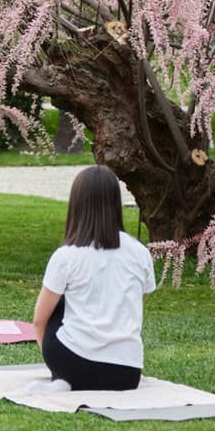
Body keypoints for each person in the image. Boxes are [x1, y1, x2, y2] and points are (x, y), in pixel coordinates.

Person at [31, 165, 155, 392]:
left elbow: (40, 320)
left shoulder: (67, 256)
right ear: (116, 203)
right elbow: (134, 308)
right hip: (126, 374)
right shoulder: (140, 253)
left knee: (58, 305)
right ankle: (67, 378)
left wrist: (54, 361)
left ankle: (62, 379)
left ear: (76, 204)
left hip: (72, 364)